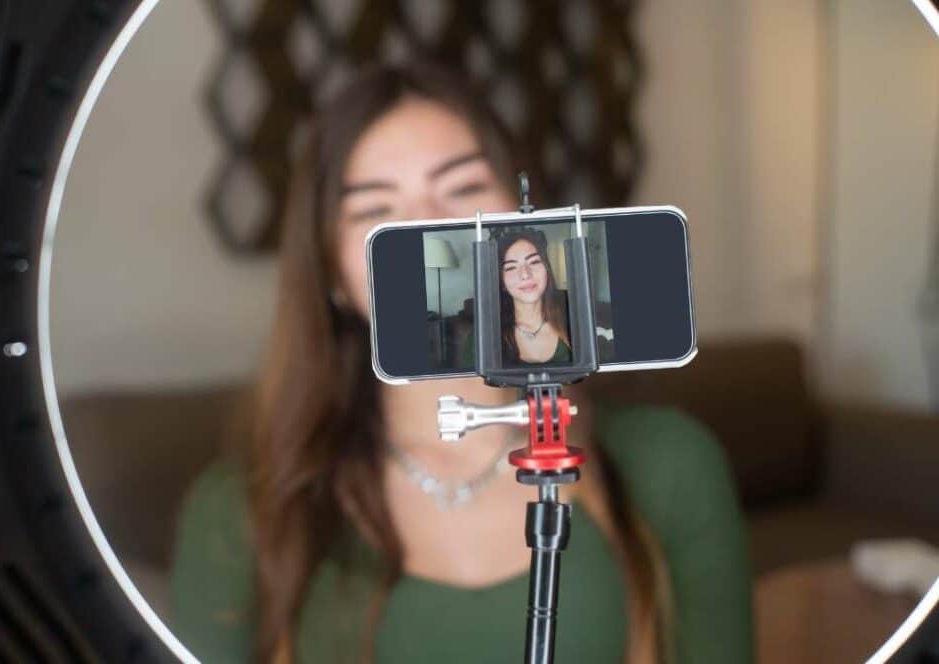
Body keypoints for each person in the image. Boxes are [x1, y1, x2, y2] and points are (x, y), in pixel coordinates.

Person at [170, 62, 752, 664]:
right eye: (375, 211)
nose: (430, 226)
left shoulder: (671, 465)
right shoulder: (238, 512)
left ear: (530, 228)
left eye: (465, 189)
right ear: (335, 278)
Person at [496, 228, 572, 365]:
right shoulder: (484, 336)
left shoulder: (575, 323)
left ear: (547, 270)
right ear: (502, 281)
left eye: (534, 262)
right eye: (511, 267)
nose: (525, 274)